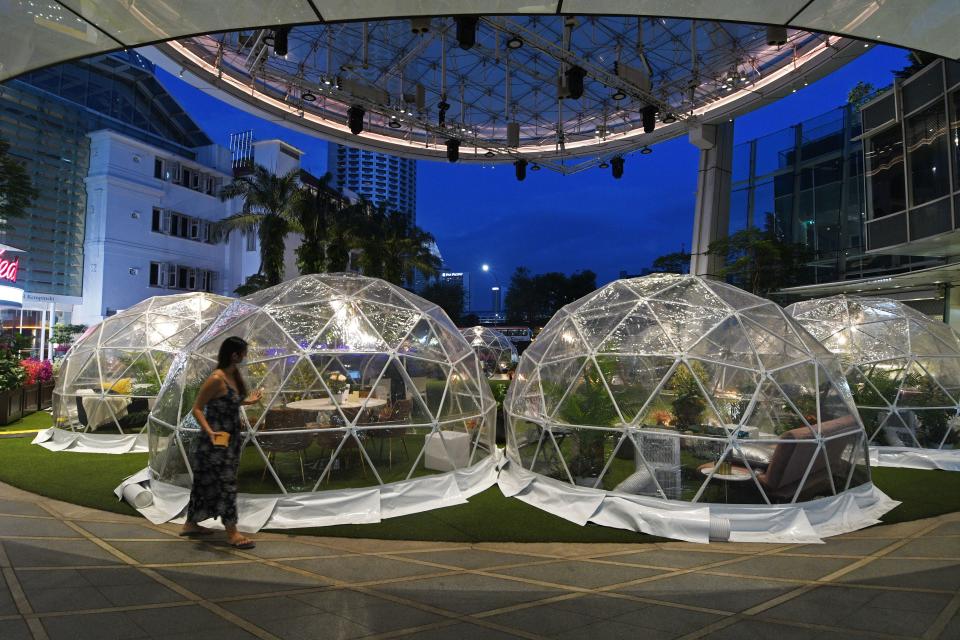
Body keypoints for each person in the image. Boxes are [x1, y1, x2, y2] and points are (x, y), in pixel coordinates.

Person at [180, 336, 262, 548]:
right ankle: (232, 532)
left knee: (204, 482)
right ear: (234, 355)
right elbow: (197, 408)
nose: (245, 357)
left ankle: (190, 523)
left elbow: (227, 402)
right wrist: (209, 432)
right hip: (216, 443)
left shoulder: (232, 375)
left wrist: (248, 401)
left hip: (230, 440)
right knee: (226, 484)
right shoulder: (216, 378)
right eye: (243, 353)